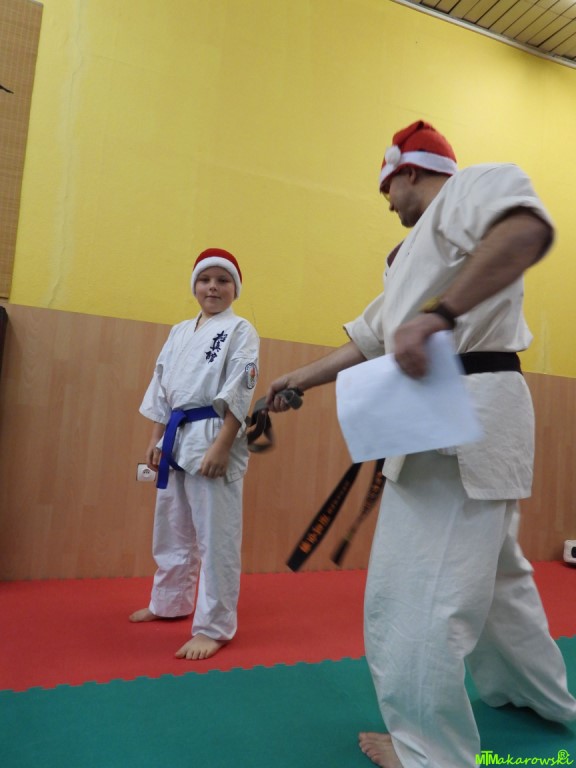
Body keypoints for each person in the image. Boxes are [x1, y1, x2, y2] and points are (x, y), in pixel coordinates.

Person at [266, 121, 576, 766]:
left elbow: (526, 229)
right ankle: (539, 696)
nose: (385, 200)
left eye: (386, 187)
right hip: (457, 424)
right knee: (498, 584)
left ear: (409, 171)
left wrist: (439, 315)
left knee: (416, 595)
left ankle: (429, 752)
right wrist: (300, 380)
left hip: (459, 419)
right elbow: (373, 338)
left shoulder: (470, 189)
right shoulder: (409, 258)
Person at [130, 247, 259, 661]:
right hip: (175, 434)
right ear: (194, 286)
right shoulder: (180, 331)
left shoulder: (240, 330)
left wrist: (223, 444)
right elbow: (162, 385)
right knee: (171, 525)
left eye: (223, 280)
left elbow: (242, 388)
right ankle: (169, 601)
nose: (213, 287)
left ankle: (214, 626)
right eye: (205, 280)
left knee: (215, 535)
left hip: (213, 433)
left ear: (235, 288)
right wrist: (156, 438)